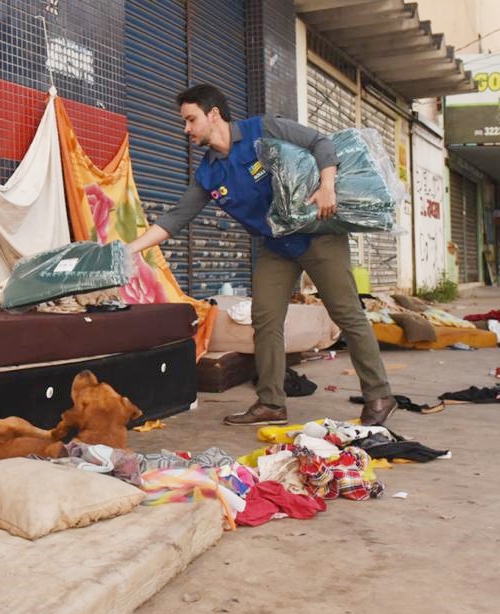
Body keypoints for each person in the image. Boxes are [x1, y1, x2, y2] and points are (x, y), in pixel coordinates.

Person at [127, 84, 397, 426]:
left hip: (318, 235)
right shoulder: (209, 173)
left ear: (213, 115)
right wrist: (131, 249)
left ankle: (379, 395)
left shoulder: (262, 129)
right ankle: (271, 402)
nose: (186, 129)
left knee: (347, 314)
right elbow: (176, 218)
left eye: (190, 120)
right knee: (266, 318)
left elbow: (320, 142)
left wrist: (327, 186)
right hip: (276, 246)